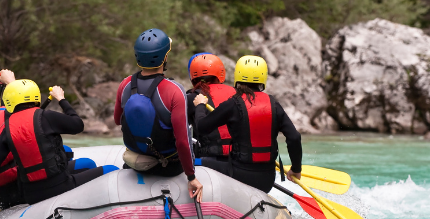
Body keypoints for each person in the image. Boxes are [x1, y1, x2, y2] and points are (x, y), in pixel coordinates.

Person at [0, 79, 115, 205]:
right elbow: (78, 125)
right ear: (36, 97)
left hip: (31, 195)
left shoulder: (7, 129)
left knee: (87, 163)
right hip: (61, 185)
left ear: (8, 102)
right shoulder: (46, 117)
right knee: (111, 170)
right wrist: (61, 99)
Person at [114, 28, 203, 202]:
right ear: (165, 57)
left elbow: (118, 120)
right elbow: (183, 142)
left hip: (134, 163)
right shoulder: (174, 91)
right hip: (167, 168)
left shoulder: (124, 84)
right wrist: (191, 177)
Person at [193, 55, 302, 194]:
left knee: (196, 162)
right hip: (267, 179)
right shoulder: (274, 104)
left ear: (237, 76)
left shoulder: (233, 104)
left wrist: (200, 106)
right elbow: (294, 137)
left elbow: (202, 127)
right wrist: (296, 169)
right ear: (264, 77)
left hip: (238, 175)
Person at [185, 53, 236, 158]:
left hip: (209, 157)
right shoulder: (236, 93)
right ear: (220, 73)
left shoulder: (192, 97)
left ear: (193, 77)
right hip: (237, 156)